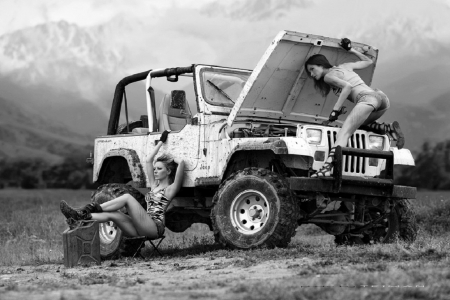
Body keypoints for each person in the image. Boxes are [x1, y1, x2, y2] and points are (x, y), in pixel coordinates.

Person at [305, 38, 404, 178]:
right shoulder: (345, 66)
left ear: (321, 65)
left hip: (367, 99)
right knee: (359, 126)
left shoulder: (328, 76)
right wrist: (350, 49)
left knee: (344, 132)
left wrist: (335, 110)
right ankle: (387, 129)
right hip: (381, 99)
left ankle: (328, 167)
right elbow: (369, 61)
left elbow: (348, 86)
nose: (311, 74)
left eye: (312, 69)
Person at [60, 130, 184, 239]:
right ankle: (79, 218)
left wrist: (173, 160)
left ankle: (86, 209)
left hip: (155, 227)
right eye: (155, 169)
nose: (155, 171)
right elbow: (148, 160)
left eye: (159, 169)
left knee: (127, 198)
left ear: (168, 171)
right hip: (142, 226)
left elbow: (181, 163)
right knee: (114, 214)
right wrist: (161, 141)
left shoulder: (169, 190)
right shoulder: (154, 186)